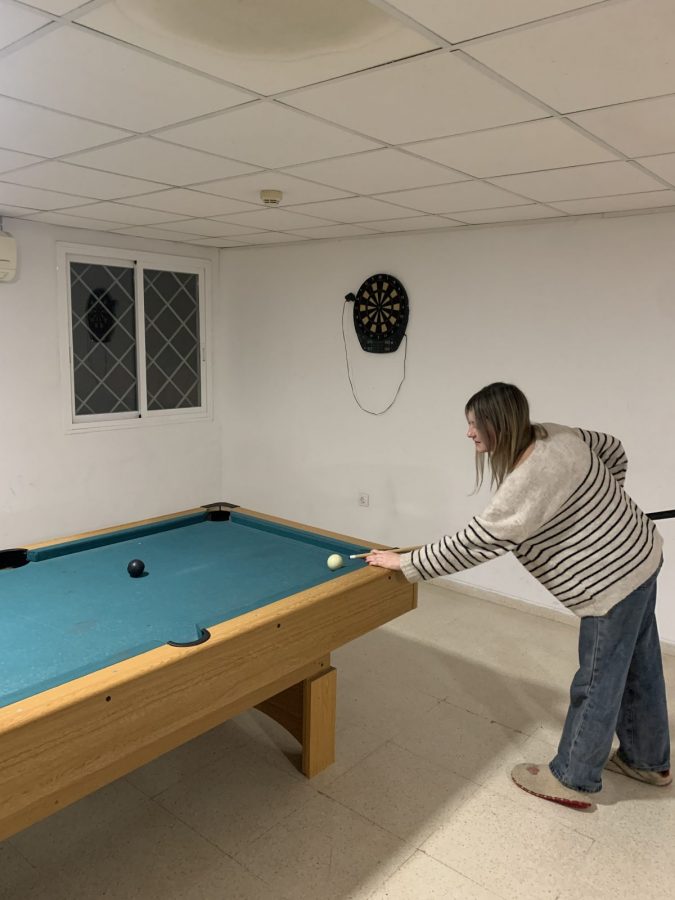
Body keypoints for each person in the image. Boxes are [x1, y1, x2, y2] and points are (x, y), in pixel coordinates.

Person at [366, 382, 671, 809]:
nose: (469, 433)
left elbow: (477, 541)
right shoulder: (557, 433)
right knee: (640, 664)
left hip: (612, 584)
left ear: (499, 424)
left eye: (475, 425)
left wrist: (406, 562)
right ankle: (647, 761)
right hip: (642, 553)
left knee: (598, 680)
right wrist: (604, 505)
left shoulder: (527, 479)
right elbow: (613, 448)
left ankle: (573, 778)